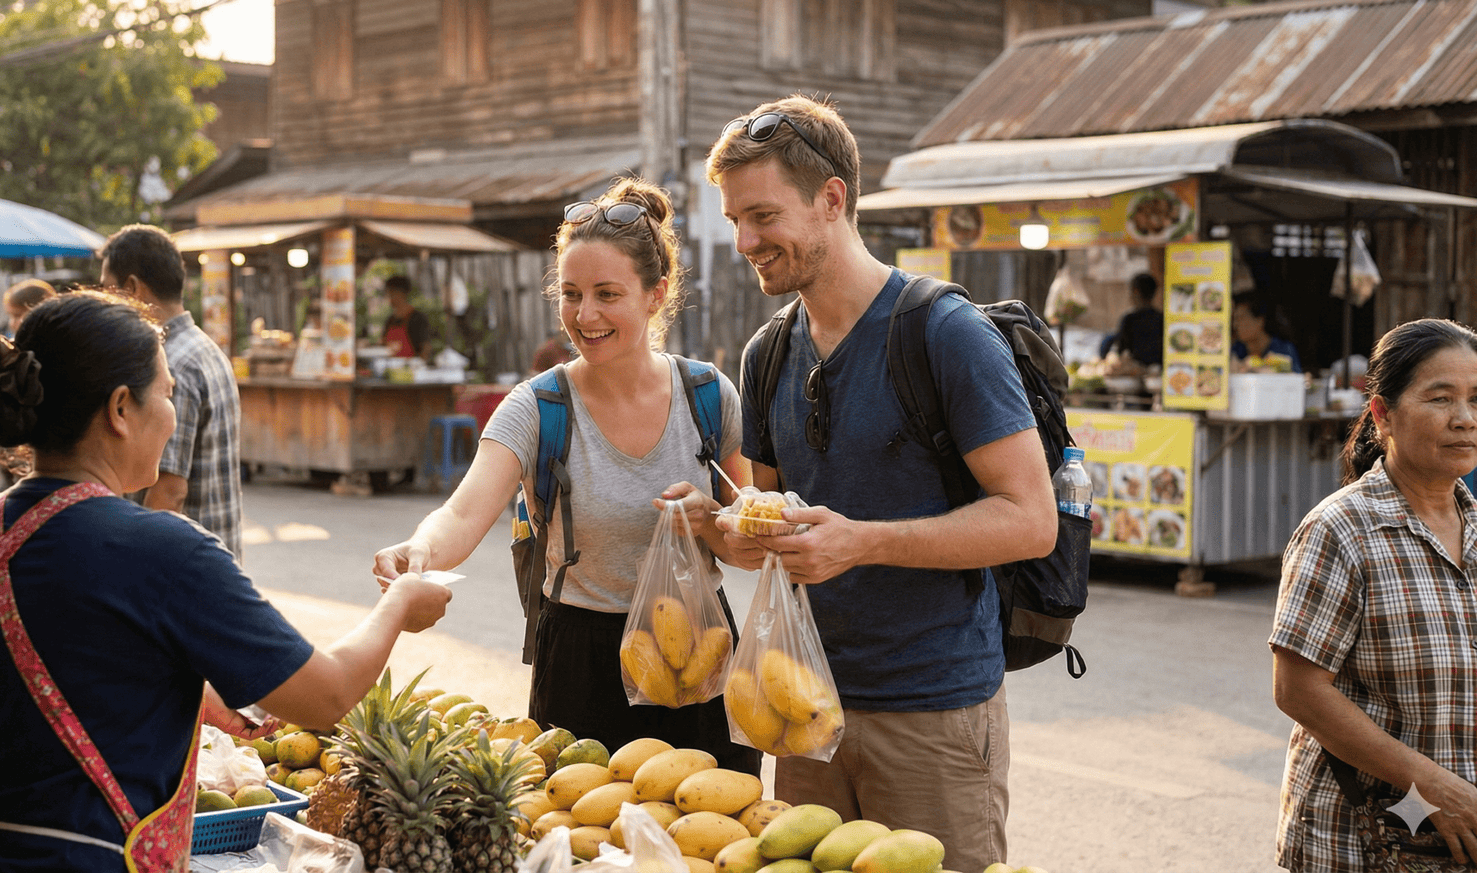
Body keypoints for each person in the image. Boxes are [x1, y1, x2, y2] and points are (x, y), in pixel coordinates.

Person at [0, 291, 452, 872]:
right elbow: (329, 695)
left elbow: (30, 688)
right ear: (121, 408)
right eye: (167, 394)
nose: (171, 413)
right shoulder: (161, 550)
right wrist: (399, 604)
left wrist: (196, 698)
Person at [705, 95, 1057, 871]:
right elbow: (772, 532)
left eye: (761, 216)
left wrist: (862, 542)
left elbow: (1031, 520)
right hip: (803, 704)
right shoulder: (766, 355)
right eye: (735, 219)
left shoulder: (945, 335)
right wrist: (723, 527)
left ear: (832, 199)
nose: (744, 241)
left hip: (932, 711)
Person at [372, 178, 760, 774]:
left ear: (656, 295)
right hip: (582, 663)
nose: (586, 316)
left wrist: (711, 522)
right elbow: (463, 509)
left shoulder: (708, 396)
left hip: (700, 655)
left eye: (608, 294)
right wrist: (418, 550)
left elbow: (746, 547)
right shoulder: (537, 407)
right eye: (572, 294)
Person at [1270, 318, 1477, 872]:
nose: (1465, 419)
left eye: (1476, 400)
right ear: (1382, 414)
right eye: (1441, 399)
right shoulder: (1342, 530)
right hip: (1365, 844)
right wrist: (1433, 788)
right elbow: (1299, 691)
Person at [100, 224, 244, 561]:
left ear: (133, 288)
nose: (106, 304)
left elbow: (167, 491)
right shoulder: (201, 347)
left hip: (181, 566)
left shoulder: (167, 364)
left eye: (108, 291)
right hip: (213, 559)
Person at [1100, 272, 1163, 366]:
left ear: (1135, 291)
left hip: (1134, 372)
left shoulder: (1130, 320)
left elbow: (1118, 350)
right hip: (1158, 371)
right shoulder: (1161, 319)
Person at [1231, 292, 1300, 373]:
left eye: (1241, 318)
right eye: (1235, 319)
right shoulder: (1236, 351)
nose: (1235, 325)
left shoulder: (1284, 350)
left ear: (1260, 321)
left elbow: (1296, 378)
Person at [381, 274, 432, 359]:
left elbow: (426, 348)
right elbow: (383, 343)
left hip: (411, 368)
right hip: (390, 367)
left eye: (392, 293)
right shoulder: (390, 320)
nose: (389, 298)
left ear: (403, 294)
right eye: (388, 294)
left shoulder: (418, 318)